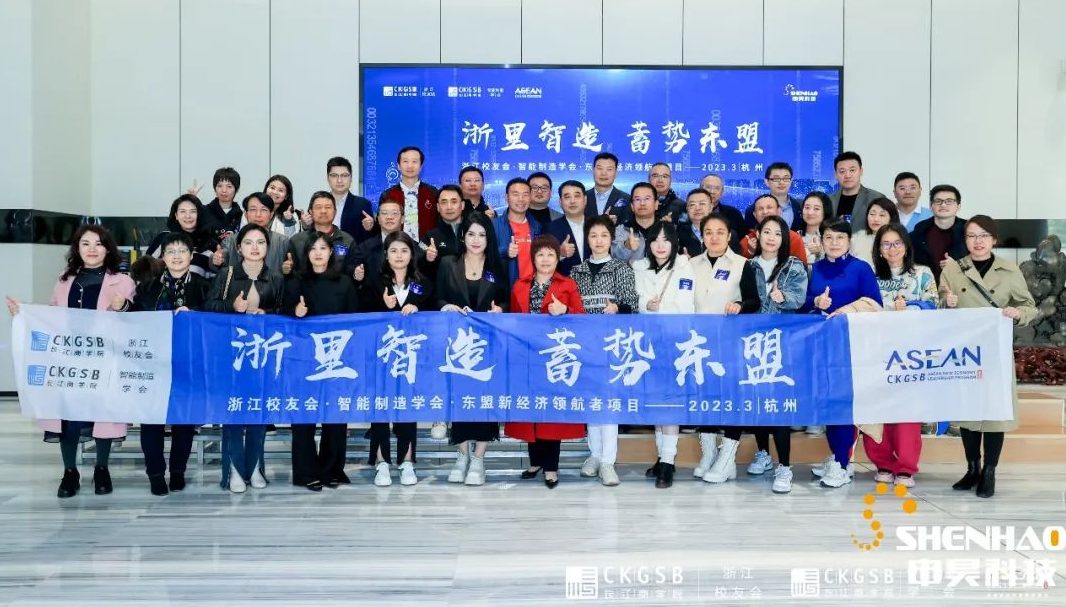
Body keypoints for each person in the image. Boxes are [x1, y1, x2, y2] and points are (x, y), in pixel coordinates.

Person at [6, 225, 135, 498]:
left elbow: (133, 317)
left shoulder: (122, 281)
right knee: (68, 416)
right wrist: (24, 312)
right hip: (68, 360)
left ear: (108, 249)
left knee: (104, 413)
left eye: (98, 244)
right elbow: (51, 316)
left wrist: (122, 306)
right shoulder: (64, 280)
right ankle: (69, 471)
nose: (92, 249)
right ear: (77, 248)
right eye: (85, 243)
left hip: (105, 359)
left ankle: (102, 468)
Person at [939, 215, 1038, 498]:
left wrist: (1018, 313)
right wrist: (946, 301)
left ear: (994, 239)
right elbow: (938, 303)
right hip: (965, 352)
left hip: (995, 351)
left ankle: (990, 472)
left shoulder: (1009, 270)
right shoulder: (953, 269)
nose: (978, 241)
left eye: (984, 235)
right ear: (965, 240)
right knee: (968, 412)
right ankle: (972, 468)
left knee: (994, 413)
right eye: (971, 236)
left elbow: (1029, 306)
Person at [802, 219, 883, 489]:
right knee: (828, 403)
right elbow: (802, 305)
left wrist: (845, 311)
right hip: (821, 347)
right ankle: (838, 456)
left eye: (840, 237)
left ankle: (842, 463)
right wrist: (816, 302)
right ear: (821, 240)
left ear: (849, 241)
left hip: (851, 347)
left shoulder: (861, 268)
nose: (834, 242)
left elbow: (874, 304)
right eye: (829, 237)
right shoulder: (815, 269)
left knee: (844, 405)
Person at [205, 223, 285, 493]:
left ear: (267, 247)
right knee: (233, 415)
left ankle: (255, 468)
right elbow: (209, 307)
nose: (254, 247)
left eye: (260, 242)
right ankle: (234, 471)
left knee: (258, 415)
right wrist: (232, 306)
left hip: (262, 356)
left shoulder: (275, 277)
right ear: (239, 248)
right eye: (248, 242)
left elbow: (283, 312)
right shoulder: (226, 274)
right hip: (232, 355)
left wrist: (267, 314)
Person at [129, 232, 210, 495]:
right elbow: (134, 320)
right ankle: (155, 474)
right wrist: (122, 308)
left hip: (189, 364)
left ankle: (178, 471)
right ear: (162, 257)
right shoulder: (148, 286)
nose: (176, 256)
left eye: (182, 251)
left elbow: (215, 320)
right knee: (151, 421)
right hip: (153, 364)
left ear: (191, 256)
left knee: (184, 421)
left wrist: (195, 315)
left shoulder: (203, 286)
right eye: (171, 251)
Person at [506, 235, 586, 489]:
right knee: (531, 410)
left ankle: (551, 466)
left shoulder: (567, 284)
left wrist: (565, 311)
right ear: (533, 258)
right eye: (540, 254)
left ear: (558, 258)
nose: (545, 259)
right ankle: (536, 461)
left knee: (552, 414)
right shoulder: (520, 285)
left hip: (555, 355)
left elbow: (582, 319)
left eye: (551, 254)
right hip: (527, 357)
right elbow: (513, 320)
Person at [435, 212, 509, 485]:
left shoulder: (497, 265)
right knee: (460, 401)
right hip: (456, 346)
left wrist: (500, 310)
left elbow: (506, 301)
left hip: (487, 347)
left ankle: (478, 458)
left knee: (485, 402)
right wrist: (446, 306)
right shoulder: (448, 264)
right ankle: (462, 455)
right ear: (462, 237)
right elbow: (437, 297)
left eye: (482, 234)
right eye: (471, 234)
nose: (476, 240)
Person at [283, 231, 358, 491]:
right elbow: (283, 317)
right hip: (305, 359)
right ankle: (306, 472)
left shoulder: (344, 282)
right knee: (304, 417)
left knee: (335, 417)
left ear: (331, 253)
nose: (318, 253)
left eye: (323, 248)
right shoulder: (296, 281)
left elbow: (354, 319)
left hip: (337, 359)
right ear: (307, 254)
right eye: (313, 248)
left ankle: (332, 469)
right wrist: (296, 312)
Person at [690, 214, 761, 484]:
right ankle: (709, 454)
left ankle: (727, 457)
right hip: (699, 343)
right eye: (708, 232)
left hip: (731, 342)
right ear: (702, 236)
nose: (714, 237)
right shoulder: (690, 264)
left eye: (720, 231)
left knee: (732, 398)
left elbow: (754, 301)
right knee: (705, 397)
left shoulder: (743, 264)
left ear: (729, 235)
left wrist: (740, 306)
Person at [866, 223, 938, 488]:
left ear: (906, 246)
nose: (892, 249)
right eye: (886, 244)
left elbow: (934, 304)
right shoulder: (870, 275)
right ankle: (883, 462)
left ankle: (906, 467)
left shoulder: (923, 274)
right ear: (879, 249)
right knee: (877, 408)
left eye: (897, 243)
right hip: (875, 351)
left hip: (910, 353)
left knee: (907, 410)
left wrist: (910, 306)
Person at [570, 216, 639, 486]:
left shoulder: (621, 268)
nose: (598, 241)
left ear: (612, 240)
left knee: (609, 403)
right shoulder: (576, 271)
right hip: (585, 345)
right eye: (593, 236)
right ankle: (595, 455)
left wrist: (617, 308)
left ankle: (609, 461)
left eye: (603, 235)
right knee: (591, 401)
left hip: (612, 345)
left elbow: (632, 304)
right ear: (587, 240)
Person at [363, 231, 434, 486]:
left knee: (407, 409)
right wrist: (384, 305)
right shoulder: (374, 281)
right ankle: (381, 461)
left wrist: (418, 308)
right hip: (381, 358)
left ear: (412, 254)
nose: (399, 256)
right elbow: (362, 316)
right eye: (393, 250)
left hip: (411, 359)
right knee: (380, 408)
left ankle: (407, 461)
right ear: (386, 254)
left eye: (404, 250)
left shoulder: (422, 282)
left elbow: (434, 315)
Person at [746, 216, 808, 493]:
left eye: (777, 233)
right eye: (766, 232)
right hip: (752, 342)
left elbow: (800, 299)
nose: (771, 238)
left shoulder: (793, 265)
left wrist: (784, 298)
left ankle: (785, 466)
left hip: (781, 343)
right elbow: (744, 300)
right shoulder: (748, 265)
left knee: (778, 404)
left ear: (784, 239)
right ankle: (763, 453)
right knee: (758, 402)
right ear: (757, 236)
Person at [633, 222, 695, 488]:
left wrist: (657, 307)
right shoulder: (639, 267)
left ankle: (668, 462)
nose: (660, 245)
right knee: (655, 402)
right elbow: (635, 299)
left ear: (674, 243)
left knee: (670, 403)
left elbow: (686, 306)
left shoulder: (684, 266)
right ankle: (662, 457)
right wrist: (645, 305)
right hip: (647, 344)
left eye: (665, 240)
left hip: (674, 343)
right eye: (655, 240)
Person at [211, 192, 292, 274]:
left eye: (264, 210)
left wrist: (288, 270)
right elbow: (218, 264)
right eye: (253, 209)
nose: (258, 214)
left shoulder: (282, 241)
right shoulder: (230, 240)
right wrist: (215, 261)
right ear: (246, 214)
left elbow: (290, 268)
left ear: (271, 214)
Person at [144, 194, 220, 278]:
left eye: (193, 211)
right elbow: (144, 269)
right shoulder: (163, 238)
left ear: (199, 215)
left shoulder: (210, 243)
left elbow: (216, 278)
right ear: (176, 215)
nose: (188, 216)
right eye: (183, 211)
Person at [378, 146, 439, 239]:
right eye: (405, 161)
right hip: (397, 245)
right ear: (398, 166)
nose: (410, 166)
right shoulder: (388, 195)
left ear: (421, 166)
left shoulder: (433, 193)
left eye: (414, 161)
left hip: (427, 246)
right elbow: (381, 224)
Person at [492, 177, 542, 289]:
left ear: (530, 197)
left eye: (525, 194)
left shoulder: (537, 226)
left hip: (533, 290)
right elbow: (483, 256)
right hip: (506, 291)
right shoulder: (493, 225)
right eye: (515, 194)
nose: (521, 199)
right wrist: (505, 252)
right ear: (507, 197)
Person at [910, 184, 967, 282]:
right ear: (931, 206)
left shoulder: (969, 230)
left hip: (962, 286)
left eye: (949, 201)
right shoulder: (919, 231)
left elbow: (982, 259)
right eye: (938, 201)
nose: (943, 205)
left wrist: (959, 266)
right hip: (927, 287)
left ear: (958, 206)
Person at [349, 197, 406, 289]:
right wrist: (356, 275)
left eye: (394, 213)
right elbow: (351, 273)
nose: (389, 217)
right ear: (378, 219)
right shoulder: (364, 248)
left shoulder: (414, 247)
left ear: (402, 219)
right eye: (384, 213)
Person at [290, 191, 355, 271]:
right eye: (318, 207)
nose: (323, 211)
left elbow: (352, 273)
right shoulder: (297, 241)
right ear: (311, 212)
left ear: (335, 212)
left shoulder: (347, 241)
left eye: (328, 207)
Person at [738, 194, 809, 263]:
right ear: (755, 215)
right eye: (760, 209)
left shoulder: (794, 238)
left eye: (769, 207)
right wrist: (751, 253)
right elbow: (739, 268)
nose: (765, 212)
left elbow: (802, 267)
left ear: (779, 211)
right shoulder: (746, 242)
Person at [325, 156, 375, 243]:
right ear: (328, 178)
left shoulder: (363, 204)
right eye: (334, 176)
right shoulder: (319, 202)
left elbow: (369, 240)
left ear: (351, 178)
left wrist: (370, 227)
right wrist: (306, 225)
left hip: (352, 251)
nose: (339, 180)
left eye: (344, 175)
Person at [547, 180, 590, 276]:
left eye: (577, 196)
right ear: (560, 202)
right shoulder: (550, 229)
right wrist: (560, 254)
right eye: (567, 197)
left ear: (585, 199)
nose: (572, 201)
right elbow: (543, 263)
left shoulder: (597, 225)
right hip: (565, 283)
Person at [744, 162, 804, 231]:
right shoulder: (752, 210)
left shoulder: (800, 207)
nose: (781, 182)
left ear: (791, 181)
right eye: (776, 179)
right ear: (767, 182)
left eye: (786, 178)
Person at [828, 151, 886, 221]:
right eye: (842, 171)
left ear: (861, 171)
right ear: (835, 175)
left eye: (852, 170)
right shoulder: (829, 201)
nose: (847, 175)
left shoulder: (877, 198)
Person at [611, 182, 659, 264]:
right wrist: (626, 246)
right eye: (637, 199)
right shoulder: (620, 230)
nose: (642, 203)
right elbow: (614, 260)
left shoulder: (666, 230)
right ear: (632, 206)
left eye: (647, 198)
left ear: (656, 204)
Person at [850, 197, 900, 268]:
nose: (876, 219)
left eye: (882, 215)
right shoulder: (856, 238)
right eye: (872, 214)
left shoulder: (899, 241)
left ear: (891, 218)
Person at [698, 174, 746, 246]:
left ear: (722, 192)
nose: (712, 191)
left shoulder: (734, 214)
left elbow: (742, 242)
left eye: (717, 188)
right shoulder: (689, 212)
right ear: (700, 190)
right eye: (708, 187)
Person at [584, 152, 630, 223]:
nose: (603, 173)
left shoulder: (627, 199)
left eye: (609, 169)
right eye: (600, 168)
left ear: (616, 173)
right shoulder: (582, 198)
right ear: (593, 170)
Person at [200, 166, 243, 236]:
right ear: (215, 188)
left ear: (236, 189)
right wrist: (191, 200)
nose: (224, 190)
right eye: (220, 186)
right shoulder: (203, 211)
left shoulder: (240, 216)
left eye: (229, 186)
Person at [800, 192, 830, 265]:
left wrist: (820, 253)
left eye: (816, 208)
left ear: (825, 211)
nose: (810, 212)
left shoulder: (832, 237)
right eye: (807, 207)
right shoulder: (794, 236)